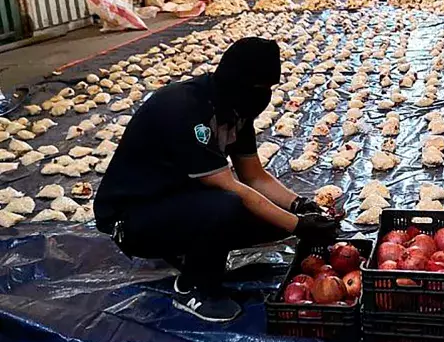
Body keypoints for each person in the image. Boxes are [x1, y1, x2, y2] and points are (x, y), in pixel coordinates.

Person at [94, 37, 338, 323]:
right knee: (229, 207)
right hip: (133, 217)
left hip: (177, 199)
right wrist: (299, 226)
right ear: (238, 82)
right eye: (260, 88)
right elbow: (231, 187)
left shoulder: (236, 110)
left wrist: (300, 207)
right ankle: (193, 286)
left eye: (269, 88)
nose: (265, 96)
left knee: (272, 218)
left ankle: (189, 247)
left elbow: (254, 176)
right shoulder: (185, 109)